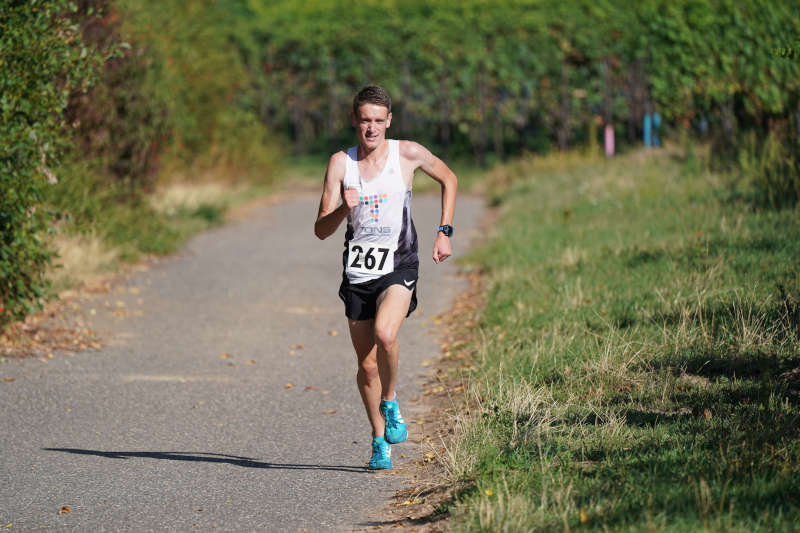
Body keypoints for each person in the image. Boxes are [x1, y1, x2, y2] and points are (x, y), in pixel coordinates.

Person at [314, 85, 457, 470]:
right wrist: (344, 209)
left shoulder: (406, 153)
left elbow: (449, 179)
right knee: (366, 366)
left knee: (386, 334)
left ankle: (390, 401)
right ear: (354, 121)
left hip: (399, 264)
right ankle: (379, 440)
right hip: (358, 271)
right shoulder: (340, 164)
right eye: (365, 121)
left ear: (389, 121)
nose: (372, 128)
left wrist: (445, 230)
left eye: (379, 121)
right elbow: (321, 230)